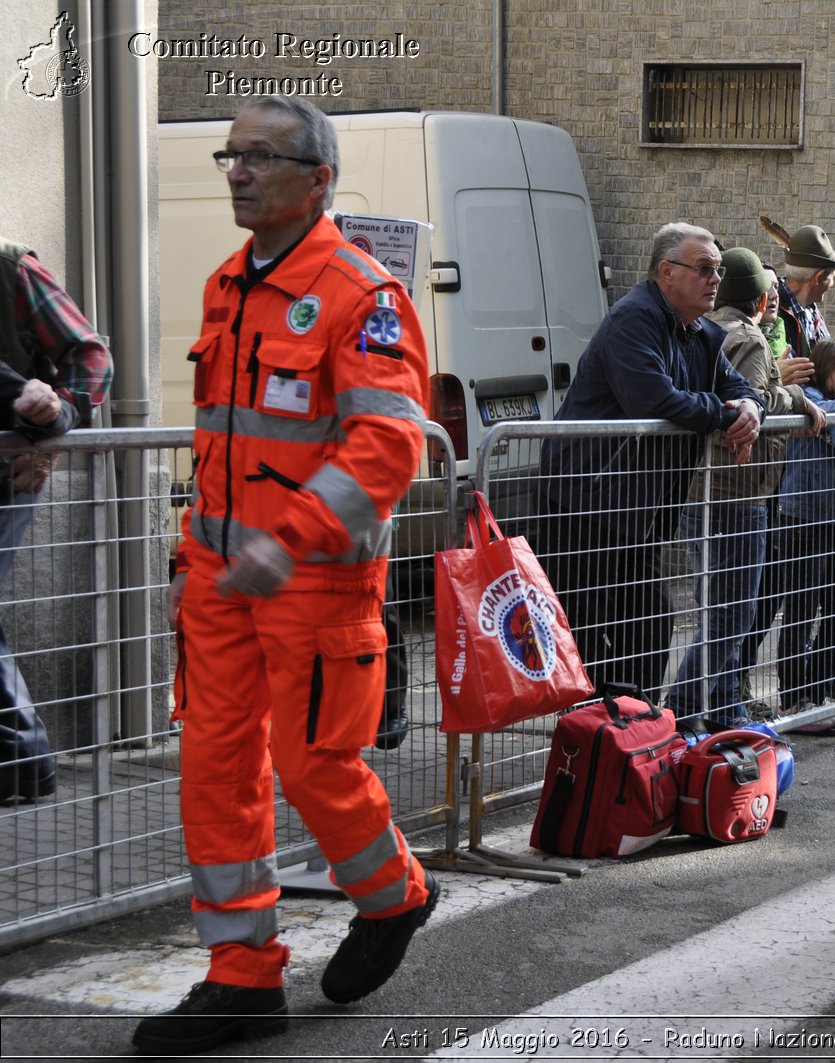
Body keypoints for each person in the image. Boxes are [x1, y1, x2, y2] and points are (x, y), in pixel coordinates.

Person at [135, 96, 439, 1055]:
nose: (236, 171)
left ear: (319, 179)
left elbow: (388, 445)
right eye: (231, 154)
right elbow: (223, 445)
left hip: (313, 586)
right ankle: (241, 976)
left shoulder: (359, 293)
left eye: (259, 157)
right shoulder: (228, 284)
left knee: (313, 766)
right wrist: (199, 556)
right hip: (224, 585)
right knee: (215, 775)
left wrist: (290, 537)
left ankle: (394, 895)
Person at [532, 224, 762, 699]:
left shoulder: (697, 330)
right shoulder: (634, 319)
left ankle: (632, 734)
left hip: (635, 511)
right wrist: (724, 415)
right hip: (583, 503)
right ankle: (596, 743)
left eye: (717, 270)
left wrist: (750, 410)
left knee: (650, 627)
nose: (715, 279)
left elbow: (737, 386)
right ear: (666, 272)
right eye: (703, 269)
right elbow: (654, 399)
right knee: (592, 633)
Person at [665, 248, 824, 733]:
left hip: (702, 487)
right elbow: (749, 400)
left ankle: (716, 711)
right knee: (730, 616)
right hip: (736, 490)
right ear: (759, 297)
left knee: (721, 610)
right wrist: (795, 395)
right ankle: (686, 714)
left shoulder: (707, 328)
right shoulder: (750, 339)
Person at [0, 238, 112, 806]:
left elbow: (88, 355)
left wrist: (55, 419)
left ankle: (23, 762)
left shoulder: (9, 267)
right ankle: (21, 764)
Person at [756, 339, 835, 732]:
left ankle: (819, 694)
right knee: (801, 611)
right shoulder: (810, 402)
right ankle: (795, 698)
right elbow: (832, 412)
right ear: (822, 371)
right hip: (800, 519)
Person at [764, 220, 835, 363]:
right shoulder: (769, 313)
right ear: (819, 277)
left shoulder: (812, 312)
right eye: (832, 277)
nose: (833, 285)